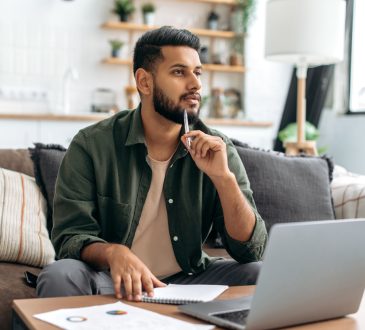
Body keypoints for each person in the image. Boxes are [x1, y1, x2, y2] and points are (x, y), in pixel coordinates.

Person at [37, 26, 268, 301]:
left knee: (261, 273)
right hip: (112, 279)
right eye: (179, 72)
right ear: (144, 82)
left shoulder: (218, 148)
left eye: (198, 72)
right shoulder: (91, 145)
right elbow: (69, 237)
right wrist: (114, 253)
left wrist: (224, 179)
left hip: (190, 277)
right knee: (60, 276)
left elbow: (250, 251)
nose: (195, 85)